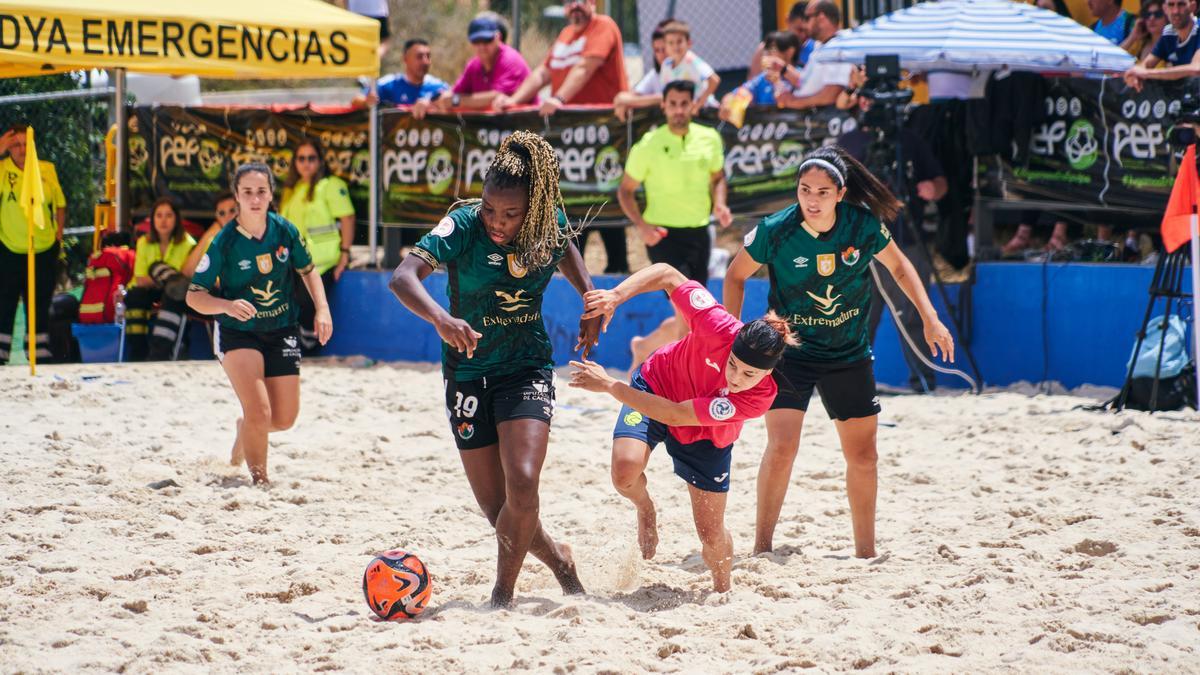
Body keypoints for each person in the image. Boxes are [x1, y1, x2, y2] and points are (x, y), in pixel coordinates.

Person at [388, 130, 600, 608]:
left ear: (534, 209)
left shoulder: (549, 224)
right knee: (499, 508)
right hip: (466, 374)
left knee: (523, 482)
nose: (496, 222)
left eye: (509, 214)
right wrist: (441, 318)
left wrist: (590, 296)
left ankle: (502, 595)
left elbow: (565, 248)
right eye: (488, 208)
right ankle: (561, 561)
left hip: (525, 367)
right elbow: (402, 277)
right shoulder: (462, 225)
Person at [723, 146, 955, 559]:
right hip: (790, 353)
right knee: (781, 447)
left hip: (848, 352)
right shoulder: (776, 230)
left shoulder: (862, 226)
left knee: (864, 456)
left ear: (841, 194)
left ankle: (865, 552)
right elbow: (735, 275)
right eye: (804, 189)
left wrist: (930, 317)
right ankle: (762, 548)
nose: (812, 199)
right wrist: (731, 333)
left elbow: (900, 267)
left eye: (823, 192)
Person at [569, 263, 792, 593]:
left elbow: (675, 416)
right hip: (656, 384)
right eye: (733, 364)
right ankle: (645, 507)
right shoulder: (717, 324)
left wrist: (610, 386)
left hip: (703, 432)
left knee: (711, 533)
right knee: (625, 471)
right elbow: (667, 274)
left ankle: (722, 590)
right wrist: (616, 295)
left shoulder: (759, 398)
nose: (735, 378)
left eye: (749, 374)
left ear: (767, 374)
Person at [186, 163, 332, 485]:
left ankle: (245, 430)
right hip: (238, 332)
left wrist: (322, 309)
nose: (255, 199)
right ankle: (260, 481)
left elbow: (308, 270)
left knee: (283, 419)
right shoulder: (224, 242)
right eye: (247, 192)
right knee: (260, 411)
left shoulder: (285, 231)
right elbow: (194, 296)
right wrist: (226, 305)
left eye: (261, 192)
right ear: (237, 196)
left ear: (270, 195)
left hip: (282, 329)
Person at [618, 80, 732, 369]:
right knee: (688, 313)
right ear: (664, 106)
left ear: (693, 105)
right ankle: (682, 382)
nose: (679, 110)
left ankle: (644, 346)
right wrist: (642, 227)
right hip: (663, 236)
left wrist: (720, 203)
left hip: (699, 234)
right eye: (673, 104)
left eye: (684, 104)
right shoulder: (648, 144)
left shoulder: (709, 138)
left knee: (694, 314)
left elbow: (718, 178)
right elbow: (625, 190)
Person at [838, 98, 947, 393]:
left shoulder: (908, 140)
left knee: (913, 315)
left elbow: (939, 181)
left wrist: (933, 189)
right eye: (869, 98)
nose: (875, 106)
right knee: (856, 319)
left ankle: (923, 381)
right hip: (856, 247)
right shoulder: (848, 143)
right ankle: (852, 384)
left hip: (906, 240)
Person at [279, 138, 355, 354]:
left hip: (321, 262)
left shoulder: (331, 185)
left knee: (309, 308)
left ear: (320, 161)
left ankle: (309, 352)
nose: (306, 163)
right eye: (301, 158)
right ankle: (299, 350)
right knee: (294, 307)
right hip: (292, 261)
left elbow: (348, 219)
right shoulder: (292, 189)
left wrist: (345, 255)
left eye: (311, 158)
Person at [0, 125, 67, 365]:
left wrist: (59, 233)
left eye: (25, 144)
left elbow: (59, 202)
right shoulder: (2, 169)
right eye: (15, 145)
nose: (21, 150)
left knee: (39, 301)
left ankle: (37, 351)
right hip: (9, 247)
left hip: (42, 247)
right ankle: (2, 351)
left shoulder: (45, 168)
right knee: (5, 302)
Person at [493, 0, 628, 116]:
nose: (574, 5)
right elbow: (543, 73)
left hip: (604, 120)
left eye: (580, 0)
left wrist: (558, 99)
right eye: (569, 1)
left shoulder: (603, 25)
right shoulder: (565, 33)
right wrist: (513, 101)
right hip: (568, 122)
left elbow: (584, 68)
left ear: (592, 2)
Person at [125, 197, 198, 361]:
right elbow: (141, 280)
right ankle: (137, 352)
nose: (163, 220)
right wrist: (165, 276)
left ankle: (164, 351)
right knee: (135, 296)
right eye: (159, 215)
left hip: (174, 294)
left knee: (173, 291)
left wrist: (163, 276)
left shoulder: (188, 243)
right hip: (150, 290)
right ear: (152, 219)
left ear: (176, 219)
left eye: (168, 215)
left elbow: (184, 279)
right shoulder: (144, 242)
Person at [612, 20, 719, 120]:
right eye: (671, 43)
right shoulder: (666, 65)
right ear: (666, 45)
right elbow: (666, 94)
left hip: (705, 111)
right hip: (684, 113)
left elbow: (714, 80)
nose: (675, 46)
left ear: (689, 43)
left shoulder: (692, 61)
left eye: (679, 42)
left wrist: (699, 104)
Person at [432, 12, 531, 112]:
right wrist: (436, 101)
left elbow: (497, 96)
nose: (482, 47)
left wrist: (456, 100)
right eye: (476, 41)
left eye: (487, 40)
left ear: (498, 37)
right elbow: (454, 93)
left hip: (527, 124)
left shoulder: (510, 59)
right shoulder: (473, 64)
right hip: (492, 125)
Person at [777, 1, 854, 111]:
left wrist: (794, 102)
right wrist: (783, 69)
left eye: (807, 18)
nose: (804, 24)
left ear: (821, 18)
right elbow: (807, 82)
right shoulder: (821, 44)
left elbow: (830, 95)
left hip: (823, 118)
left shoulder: (838, 47)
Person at [355, 39, 449, 118]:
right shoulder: (389, 84)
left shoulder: (439, 86)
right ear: (405, 59)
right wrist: (366, 102)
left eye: (428, 56)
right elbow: (356, 100)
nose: (425, 62)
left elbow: (454, 100)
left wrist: (431, 104)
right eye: (419, 57)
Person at [719, 31, 801, 120]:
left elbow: (790, 95)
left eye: (772, 50)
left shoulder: (801, 76)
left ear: (790, 52)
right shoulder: (764, 78)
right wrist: (728, 100)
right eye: (766, 51)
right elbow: (744, 90)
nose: (767, 55)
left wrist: (778, 80)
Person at [1123, 0, 1199, 91]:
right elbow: (1145, 65)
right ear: (1165, 8)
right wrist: (1134, 76)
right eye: (1171, 5)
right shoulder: (1168, 32)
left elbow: (1196, 69)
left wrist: (1146, 73)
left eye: (1181, 4)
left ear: (1193, 6)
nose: (1175, 11)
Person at [749, 1, 815, 80]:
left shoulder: (816, 48)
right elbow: (752, 82)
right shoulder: (765, 48)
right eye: (799, 30)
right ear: (787, 20)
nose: (803, 35)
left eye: (807, 31)